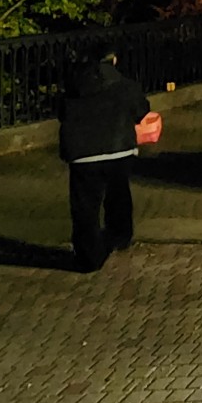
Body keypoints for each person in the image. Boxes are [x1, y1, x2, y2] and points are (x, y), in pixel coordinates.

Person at [59, 47, 151, 273]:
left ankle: (89, 257)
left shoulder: (73, 85)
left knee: (85, 207)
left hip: (82, 153)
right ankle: (119, 235)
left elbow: (62, 112)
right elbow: (141, 110)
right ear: (114, 61)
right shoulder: (125, 86)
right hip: (118, 149)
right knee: (118, 193)